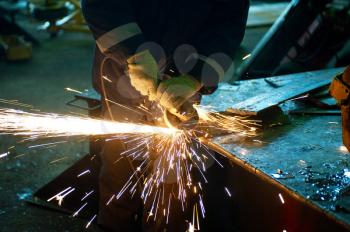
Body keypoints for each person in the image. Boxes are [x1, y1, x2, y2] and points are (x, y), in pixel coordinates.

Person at [81, 0, 249, 231]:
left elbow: (228, 23)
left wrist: (195, 76)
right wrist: (132, 54)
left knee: (173, 179)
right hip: (122, 73)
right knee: (120, 170)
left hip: (185, 75)